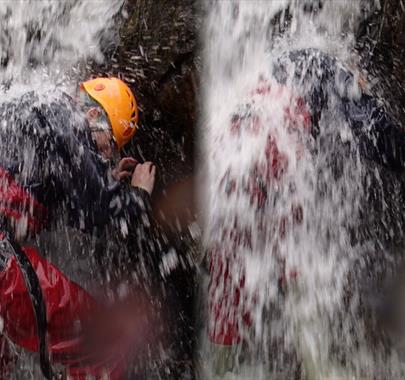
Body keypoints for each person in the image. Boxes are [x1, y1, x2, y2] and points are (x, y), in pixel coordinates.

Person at [206, 48, 405, 377]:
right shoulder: (325, 65)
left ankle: (223, 366)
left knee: (227, 299)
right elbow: (371, 131)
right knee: (300, 275)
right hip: (272, 158)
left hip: (226, 162)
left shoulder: (261, 69)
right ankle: (315, 364)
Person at [0, 77, 163, 379]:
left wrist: (106, 177)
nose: (108, 154)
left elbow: (74, 206)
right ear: (92, 116)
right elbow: (101, 209)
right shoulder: (61, 112)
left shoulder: (31, 110)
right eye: (111, 143)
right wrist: (137, 196)